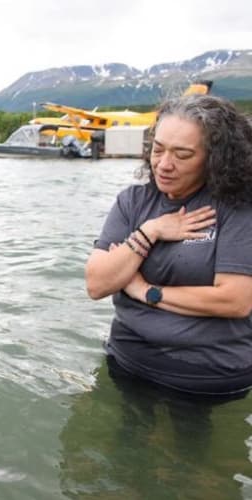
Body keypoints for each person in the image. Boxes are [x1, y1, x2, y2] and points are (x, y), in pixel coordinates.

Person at [84, 94, 252, 395]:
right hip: (126, 361)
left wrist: (144, 290)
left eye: (182, 155)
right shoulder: (133, 202)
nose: (164, 164)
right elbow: (97, 284)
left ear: (214, 159)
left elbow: (236, 301)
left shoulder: (236, 209)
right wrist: (151, 231)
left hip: (205, 376)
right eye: (158, 149)